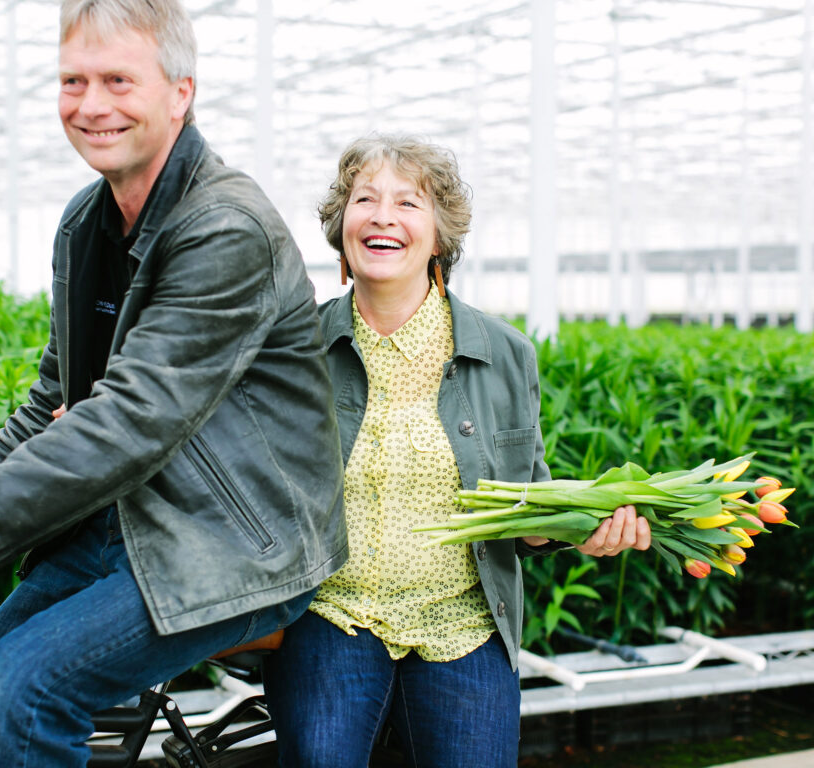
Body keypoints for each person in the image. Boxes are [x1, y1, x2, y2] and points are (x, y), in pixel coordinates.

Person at [0, 1, 347, 764]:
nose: (91, 105)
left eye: (117, 80)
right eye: (73, 80)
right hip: (123, 519)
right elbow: (50, 408)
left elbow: (131, 420)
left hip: (231, 541)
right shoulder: (86, 222)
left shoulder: (227, 228)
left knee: (28, 690)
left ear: (180, 92)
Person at [261, 135, 652, 768]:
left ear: (440, 237)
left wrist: (583, 529)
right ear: (342, 228)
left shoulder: (504, 352)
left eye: (408, 203)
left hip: (463, 622)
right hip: (333, 613)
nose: (383, 216)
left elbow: (527, 504)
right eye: (366, 199)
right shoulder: (296, 348)